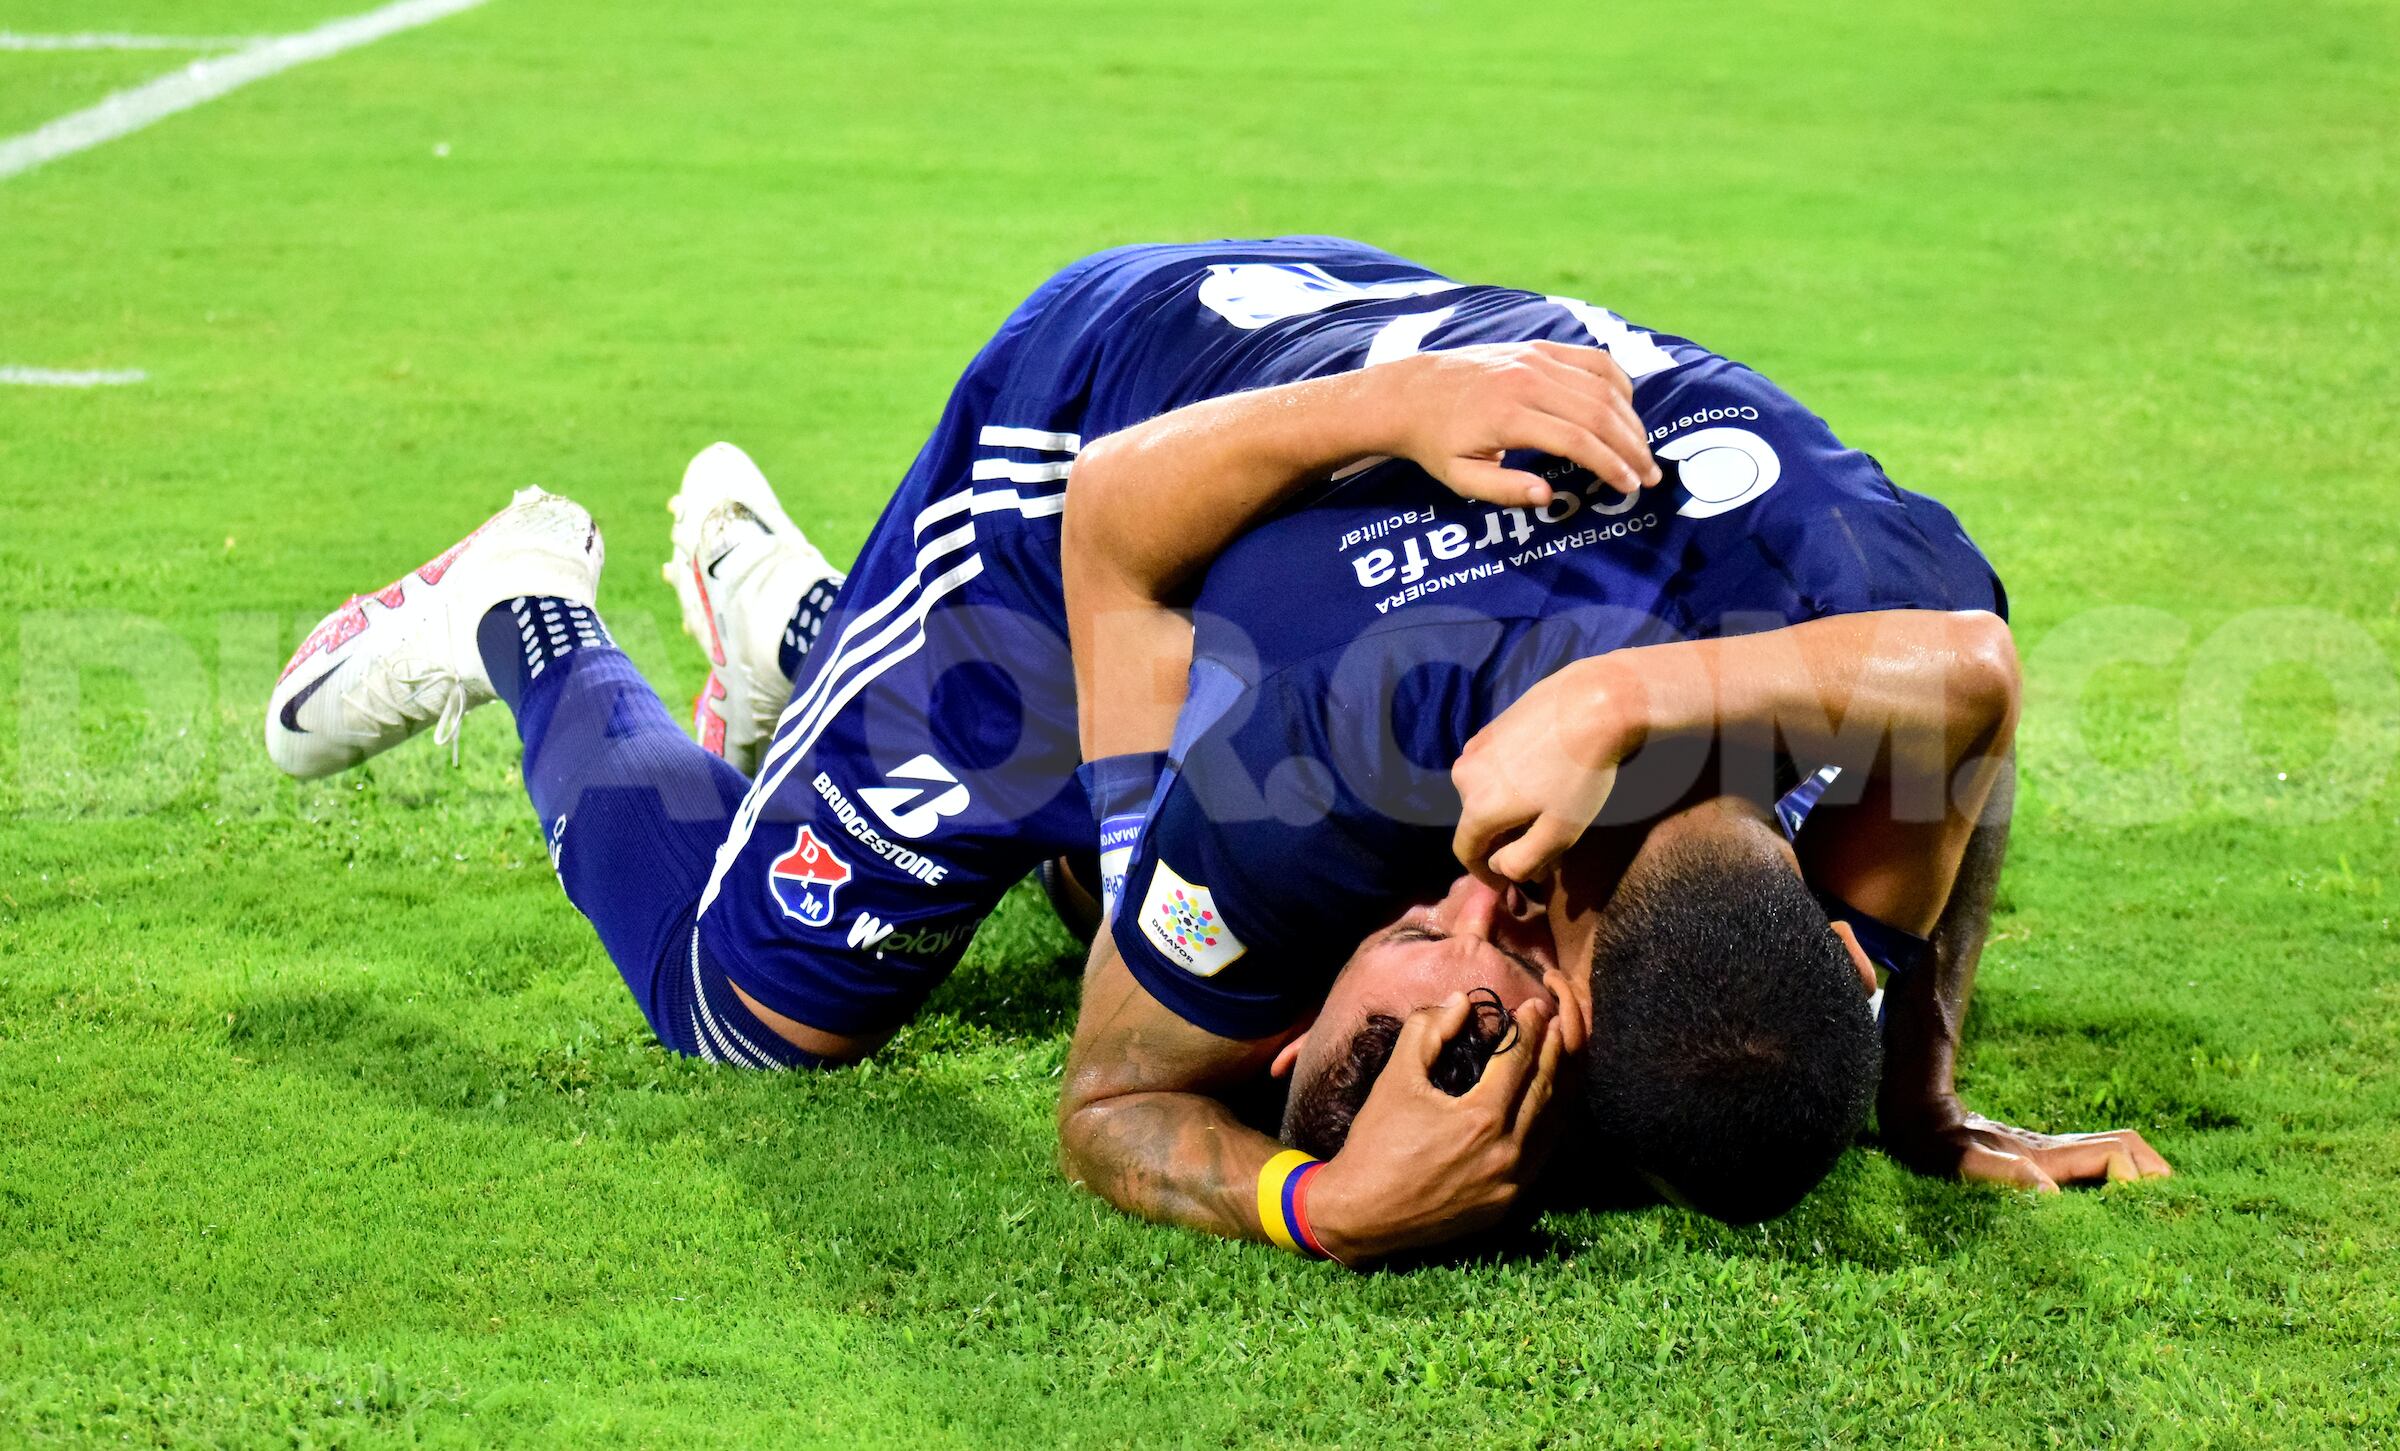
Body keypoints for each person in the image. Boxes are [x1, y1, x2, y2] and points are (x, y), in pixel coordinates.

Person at [1056, 256, 2171, 1263]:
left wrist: (1927, 1093)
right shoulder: (1338, 738)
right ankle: (1088, 859)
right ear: (1849, 954)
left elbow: (1970, 706)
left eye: (1422, 922)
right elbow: (1967, 707)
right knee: (897, 1000)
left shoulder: (1889, 626)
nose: (1485, 897)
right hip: (1127, 373)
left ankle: (1094, 865)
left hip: (1352, 431)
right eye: (1524, 940)